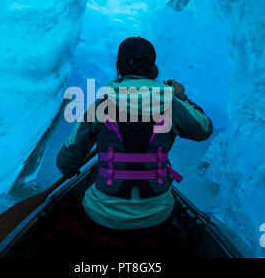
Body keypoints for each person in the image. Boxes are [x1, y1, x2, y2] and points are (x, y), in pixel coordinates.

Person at [56, 36, 213, 239]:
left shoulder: (99, 106)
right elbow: (204, 129)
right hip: (158, 216)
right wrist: (180, 96)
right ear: (152, 67)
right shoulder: (172, 103)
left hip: (102, 216)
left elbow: (66, 164)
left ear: (119, 67)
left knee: (96, 175)